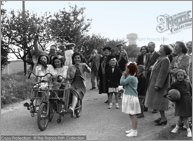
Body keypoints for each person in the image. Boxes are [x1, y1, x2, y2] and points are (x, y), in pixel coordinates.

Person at [144, 45, 172, 126]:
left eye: (161, 49)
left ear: (165, 51)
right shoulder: (160, 59)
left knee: (160, 102)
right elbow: (157, 69)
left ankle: (163, 119)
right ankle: (162, 117)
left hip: (159, 85)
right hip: (155, 82)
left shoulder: (165, 60)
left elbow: (163, 73)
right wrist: (152, 68)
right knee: (157, 102)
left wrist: (158, 85)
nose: (159, 50)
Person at [164, 69, 192, 137]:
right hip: (180, 101)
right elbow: (168, 90)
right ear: (176, 76)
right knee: (183, 116)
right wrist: (166, 95)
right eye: (178, 75)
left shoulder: (187, 82)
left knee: (182, 116)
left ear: (184, 76)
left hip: (188, 101)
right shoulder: (175, 84)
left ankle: (176, 128)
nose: (180, 77)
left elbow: (191, 91)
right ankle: (188, 130)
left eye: (182, 75)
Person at [66, 52, 91, 117]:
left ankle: (72, 108)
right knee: (65, 92)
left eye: (78, 58)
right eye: (75, 58)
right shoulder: (70, 67)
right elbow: (68, 77)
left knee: (75, 93)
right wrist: (68, 79)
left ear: (80, 59)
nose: (77, 59)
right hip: (73, 83)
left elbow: (89, 71)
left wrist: (87, 67)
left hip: (81, 84)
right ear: (73, 59)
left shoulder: (83, 65)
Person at [120, 62, 140, 137]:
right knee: (130, 113)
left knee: (133, 114)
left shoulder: (131, 77)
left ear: (130, 69)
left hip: (131, 97)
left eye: (126, 68)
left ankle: (134, 131)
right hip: (129, 96)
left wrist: (123, 75)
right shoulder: (131, 76)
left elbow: (122, 82)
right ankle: (133, 128)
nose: (125, 70)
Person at [144, 42, 160, 113]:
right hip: (147, 73)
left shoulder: (158, 55)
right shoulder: (147, 55)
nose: (148, 48)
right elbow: (146, 63)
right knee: (146, 88)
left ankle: (155, 107)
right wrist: (145, 70)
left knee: (153, 89)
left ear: (154, 47)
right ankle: (146, 105)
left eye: (150, 47)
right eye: (148, 47)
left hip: (154, 74)